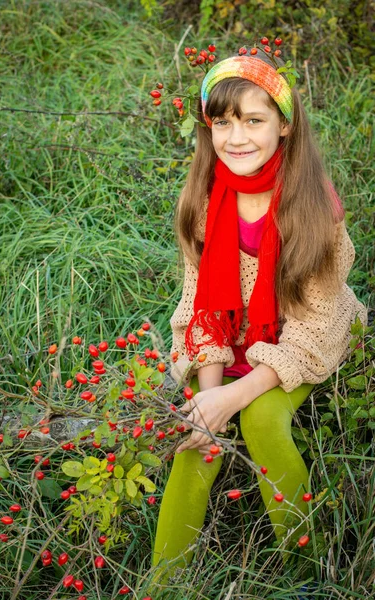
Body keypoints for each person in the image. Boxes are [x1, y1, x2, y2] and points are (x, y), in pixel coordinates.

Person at [150, 47, 368, 586]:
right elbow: (200, 304)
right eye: (222, 122)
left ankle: (306, 569)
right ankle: (162, 585)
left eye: (254, 120)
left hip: (306, 335)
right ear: (208, 127)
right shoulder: (203, 199)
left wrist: (235, 397)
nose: (237, 137)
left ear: (284, 125)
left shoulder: (312, 206)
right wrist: (211, 393)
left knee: (262, 419)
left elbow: (314, 323)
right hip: (236, 337)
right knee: (195, 438)